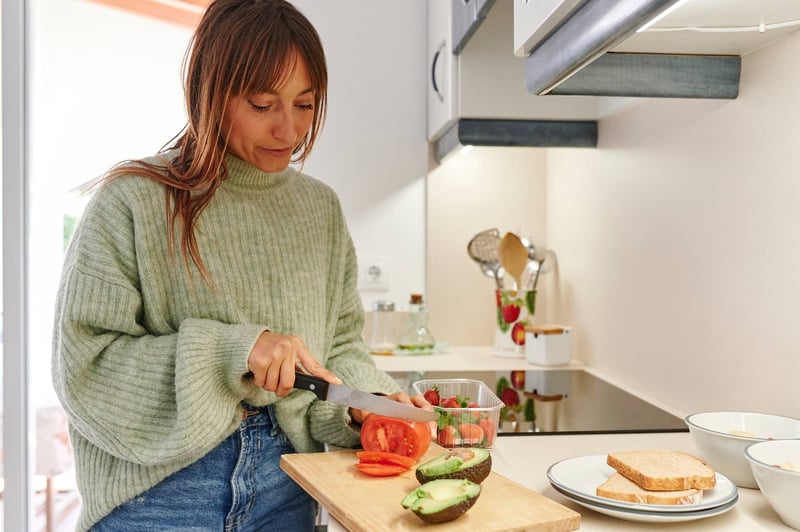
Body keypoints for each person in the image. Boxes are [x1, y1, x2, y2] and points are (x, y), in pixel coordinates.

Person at [51, 1, 431, 530]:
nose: (289, 129)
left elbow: (340, 344)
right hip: (159, 495)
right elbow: (84, 369)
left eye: (305, 103)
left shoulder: (320, 208)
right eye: (261, 104)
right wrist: (235, 350)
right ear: (209, 94)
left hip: (290, 486)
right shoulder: (132, 201)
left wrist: (366, 403)